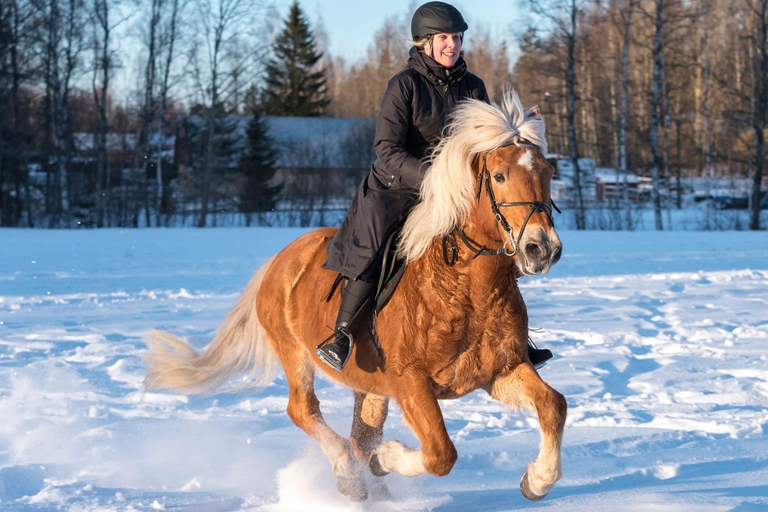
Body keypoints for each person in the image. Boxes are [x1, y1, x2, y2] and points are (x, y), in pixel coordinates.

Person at [317, 1, 553, 371]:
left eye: (456, 37)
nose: (452, 45)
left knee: (497, 242)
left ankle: (516, 336)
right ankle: (342, 333)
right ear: (425, 42)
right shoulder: (405, 85)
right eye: (443, 37)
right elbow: (386, 150)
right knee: (380, 246)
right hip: (397, 188)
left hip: (459, 192)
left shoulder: (473, 86)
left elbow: (489, 148)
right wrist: (434, 180)